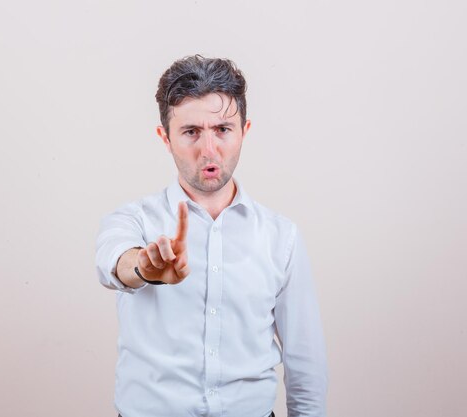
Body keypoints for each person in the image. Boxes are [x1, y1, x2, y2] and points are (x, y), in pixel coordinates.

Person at [95, 55, 327, 417]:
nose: (208, 149)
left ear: (244, 131)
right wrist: (144, 267)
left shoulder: (281, 237)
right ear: (165, 138)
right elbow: (114, 262)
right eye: (191, 132)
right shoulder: (133, 220)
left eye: (222, 129)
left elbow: (305, 359)